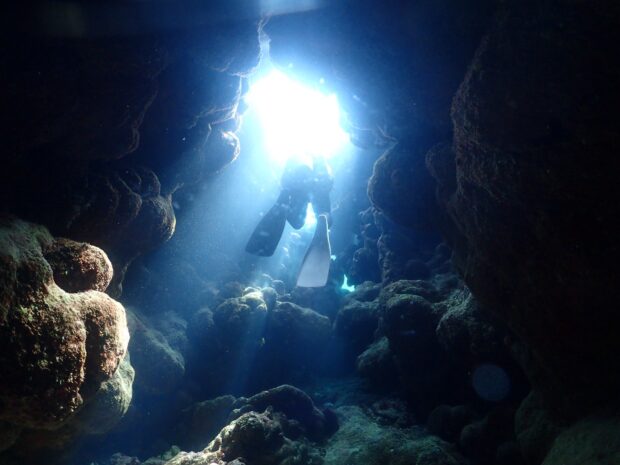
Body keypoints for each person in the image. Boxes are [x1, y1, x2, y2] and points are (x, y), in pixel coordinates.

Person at [245, 157, 333, 287]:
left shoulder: (301, 176)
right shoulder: (317, 177)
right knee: (307, 219)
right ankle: (317, 214)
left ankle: (290, 201)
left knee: (298, 218)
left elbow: (296, 218)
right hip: (309, 181)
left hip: (301, 181)